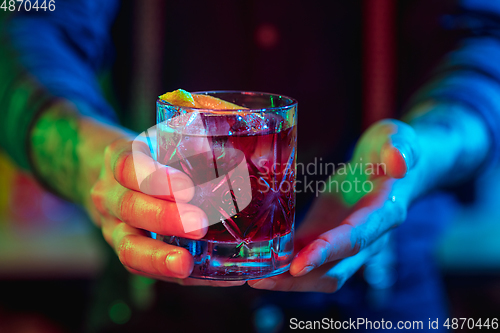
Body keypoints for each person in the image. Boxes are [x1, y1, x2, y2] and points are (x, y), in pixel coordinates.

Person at [0, 0, 499, 330]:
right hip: (149, 307)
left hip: (381, 306)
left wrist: (417, 155)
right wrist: (94, 160)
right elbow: (22, 26)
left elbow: (485, 41)